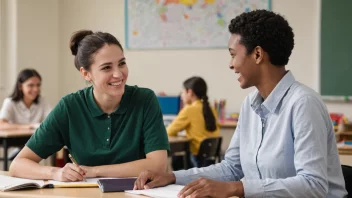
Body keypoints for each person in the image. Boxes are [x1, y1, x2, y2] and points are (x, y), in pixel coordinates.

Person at [134, 10, 347, 197]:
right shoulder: (250, 106)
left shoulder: (304, 104)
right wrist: (171, 177)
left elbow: (314, 185)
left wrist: (237, 189)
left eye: (233, 55)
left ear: (257, 54)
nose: (230, 64)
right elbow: (232, 168)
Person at [9, 30, 169, 182]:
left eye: (121, 63)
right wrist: (56, 172)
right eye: (107, 67)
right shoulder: (70, 107)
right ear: (86, 73)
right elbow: (18, 165)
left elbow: (158, 166)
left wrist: (95, 171)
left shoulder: (145, 99)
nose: (119, 74)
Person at [167, 76, 220, 169]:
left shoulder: (189, 109)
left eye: (183, 92)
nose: (182, 96)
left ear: (190, 92)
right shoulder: (212, 109)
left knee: (175, 159)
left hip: (196, 159)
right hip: (209, 161)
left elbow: (169, 131)